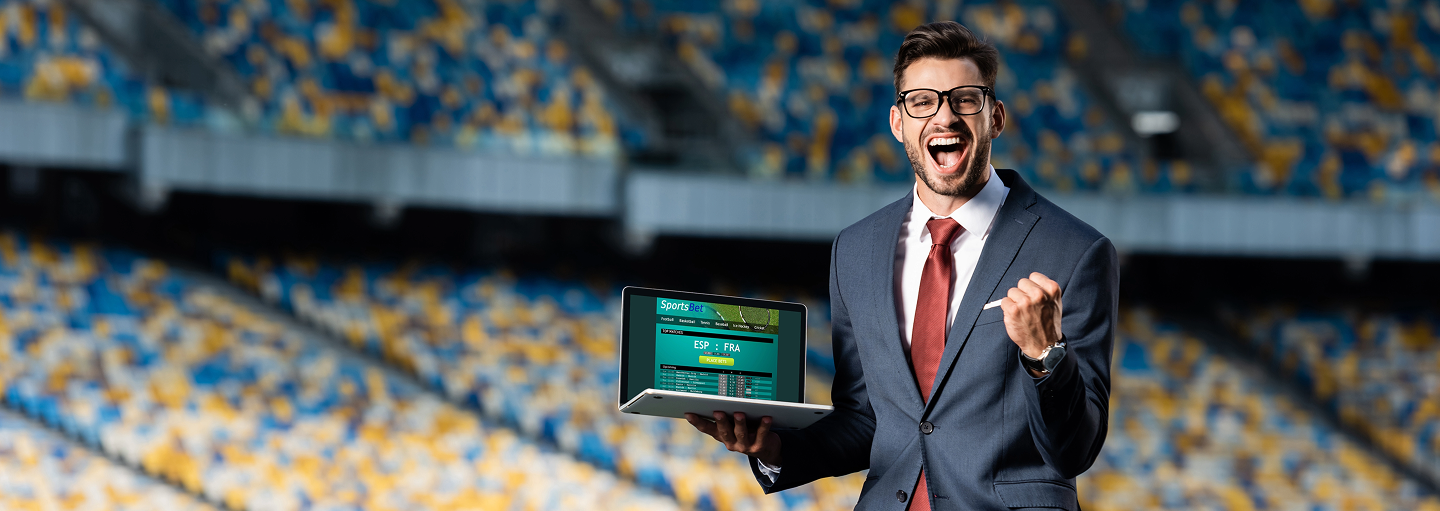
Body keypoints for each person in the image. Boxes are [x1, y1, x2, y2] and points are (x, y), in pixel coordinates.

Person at [685, 21, 1116, 511]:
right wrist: (774, 449)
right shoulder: (856, 248)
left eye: (965, 99)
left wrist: (1046, 356)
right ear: (898, 123)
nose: (945, 117)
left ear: (995, 118)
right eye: (922, 102)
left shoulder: (1076, 251)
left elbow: (1076, 449)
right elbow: (867, 420)